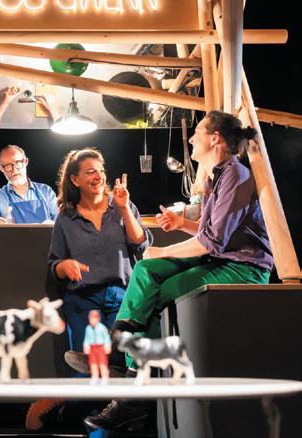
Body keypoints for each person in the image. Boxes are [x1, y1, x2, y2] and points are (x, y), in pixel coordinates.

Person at [86, 110, 273, 431]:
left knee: (162, 289)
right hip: (221, 257)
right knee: (146, 270)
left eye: (197, 132)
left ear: (214, 138)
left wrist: (164, 250)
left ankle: (131, 389)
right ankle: (121, 349)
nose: (191, 138)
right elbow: (211, 231)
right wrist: (183, 223)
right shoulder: (217, 176)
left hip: (245, 266)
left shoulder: (236, 174)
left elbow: (213, 241)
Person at [25, 147, 151, 430]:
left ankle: (60, 399)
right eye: (91, 172)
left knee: (118, 367)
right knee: (91, 366)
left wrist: (124, 209)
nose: (99, 176)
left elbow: (141, 243)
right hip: (83, 302)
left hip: (121, 299)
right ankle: (90, 424)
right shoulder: (66, 218)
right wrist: (64, 265)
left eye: (101, 170)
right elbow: (53, 265)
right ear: (75, 180)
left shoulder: (121, 205)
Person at [0, 144, 58, 224]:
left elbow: (61, 220)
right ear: (1, 169)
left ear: (25, 162)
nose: (14, 170)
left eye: (18, 163)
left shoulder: (46, 191)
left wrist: (52, 224)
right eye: (8, 166)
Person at [83, 310, 111, 381]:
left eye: (95, 317)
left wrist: (107, 345)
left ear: (98, 318)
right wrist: (86, 346)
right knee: (93, 364)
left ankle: (105, 377)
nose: (93, 320)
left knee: (103, 363)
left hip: (101, 348)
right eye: (91, 318)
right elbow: (87, 338)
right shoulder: (88, 328)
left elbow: (106, 337)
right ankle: (95, 377)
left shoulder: (102, 328)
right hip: (93, 348)